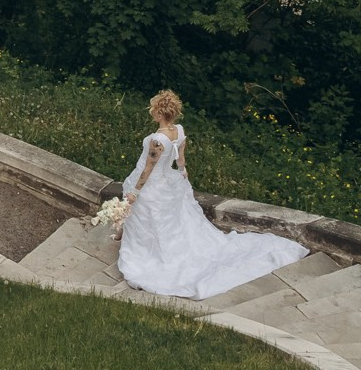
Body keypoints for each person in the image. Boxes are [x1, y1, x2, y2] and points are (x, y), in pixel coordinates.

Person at [116, 89, 306, 298]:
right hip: (167, 180)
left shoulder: (158, 140)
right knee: (168, 221)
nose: (151, 113)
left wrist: (135, 191)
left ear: (160, 114)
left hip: (152, 183)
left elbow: (148, 168)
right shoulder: (178, 130)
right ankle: (129, 237)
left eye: (153, 110)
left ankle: (155, 254)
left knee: (152, 217)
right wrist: (182, 174)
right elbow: (180, 159)